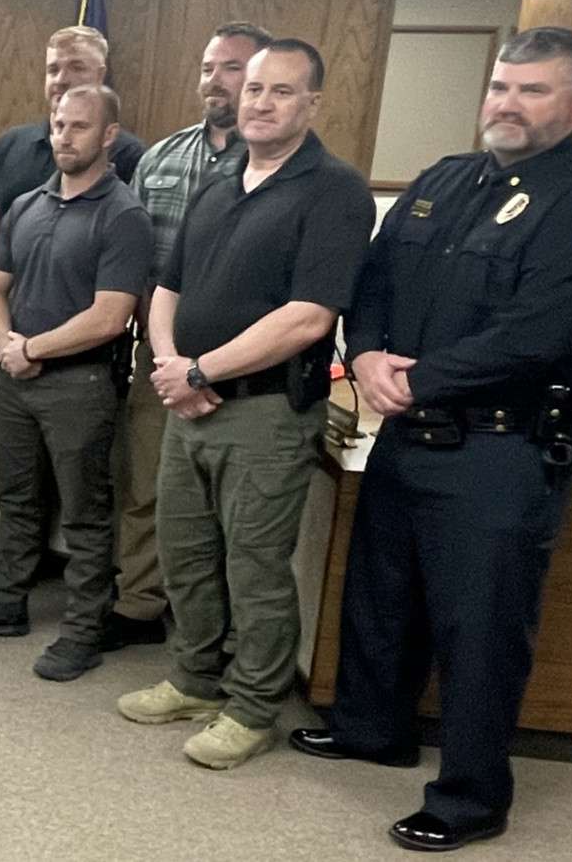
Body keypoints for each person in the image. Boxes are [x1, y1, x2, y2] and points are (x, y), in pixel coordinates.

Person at [290, 27, 572, 852]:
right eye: (501, 87)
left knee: (480, 627)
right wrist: (365, 353)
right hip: (410, 432)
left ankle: (472, 796)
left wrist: (412, 381)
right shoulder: (444, 180)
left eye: (533, 90)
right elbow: (371, 282)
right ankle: (373, 728)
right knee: (381, 593)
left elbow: (539, 332)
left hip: (501, 449)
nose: (508, 104)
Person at [115, 39, 374, 769]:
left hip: (264, 412)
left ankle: (253, 706)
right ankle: (195, 678)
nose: (261, 102)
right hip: (186, 403)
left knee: (254, 565)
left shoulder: (335, 190)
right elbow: (168, 286)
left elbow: (310, 316)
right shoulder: (222, 176)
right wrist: (172, 367)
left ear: (313, 104)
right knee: (186, 554)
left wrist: (200, 373)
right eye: (254, 88)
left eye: (282, 91)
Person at [0, 85, 151, 678]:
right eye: (59, 125)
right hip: (18, 378)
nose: (64, 136)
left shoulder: (124, 215)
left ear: (108, 135)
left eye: (79, 127)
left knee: (86, 515)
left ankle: (83, 630)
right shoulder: (28, 205)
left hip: (80, 385)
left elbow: (111, 315)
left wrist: (31, 348)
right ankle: (7, 604)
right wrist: (9, 345)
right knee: (19, 501)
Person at [104, 22, 272, 650]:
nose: (215, 80)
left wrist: (210, 368)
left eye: (231, 69)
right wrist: (171, 358)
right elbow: (140, 266)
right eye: (208, 67)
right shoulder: (162, 159)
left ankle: (221, 631)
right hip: (161, 352)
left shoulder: (275, 168)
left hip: (249, 364)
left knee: (232, 509)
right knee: (148, 486)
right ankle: (139, 604)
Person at [0, 25, 146, 262]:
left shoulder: (129, 153)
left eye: (76, 67)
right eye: (53, 69)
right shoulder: (8, 145)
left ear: (100, 74)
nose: (62, 79)